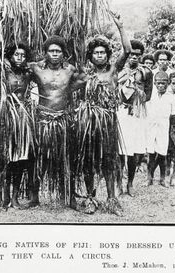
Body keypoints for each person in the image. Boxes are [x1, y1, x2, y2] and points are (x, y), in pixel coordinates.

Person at [75, 12, 131, 215]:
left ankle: (112, 199)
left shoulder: (114, 71)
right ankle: (90, 198)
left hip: (108, 121)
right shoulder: (85, 73)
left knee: (109, 160)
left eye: (102, 52)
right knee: (89, 160)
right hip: (89, 122)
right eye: (95, 53)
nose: (99, 55)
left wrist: (121, 27)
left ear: (107, 54)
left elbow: (127, 50)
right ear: (90, 56)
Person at [27, 35, 85, 207]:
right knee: (38, 159)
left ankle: (69, 196)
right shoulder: (36, 68)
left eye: (58, 51)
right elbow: (16, 69)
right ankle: (34, 197)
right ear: (45, 53)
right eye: (51, 51)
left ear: (63, 53)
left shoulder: (70, 70)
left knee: (66, 159)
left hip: (62, 119)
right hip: (42, 119)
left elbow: (85, 79)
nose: (54, 54)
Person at [0, 42, 35, 210]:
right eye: (17, 55)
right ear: (10, 56)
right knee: (6, 159)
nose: (20, 58)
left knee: (19, 161)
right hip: (5, 118)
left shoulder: (27, 73)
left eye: (23, 55)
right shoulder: (2, 71)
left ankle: (16, 197)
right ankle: (4, 197)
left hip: (22, 120)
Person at [117, 40, 153, 197]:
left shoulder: (146, 73)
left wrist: (138, 94)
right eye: (131, 54)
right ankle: (118, 182)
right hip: (121, 112)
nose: (134, 57)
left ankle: (130, 183)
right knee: (119, 150)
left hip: (137, 114)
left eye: (137, 55)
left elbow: (149, 95)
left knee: (133, 152)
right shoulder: (118, 70)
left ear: (141, 56)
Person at [146, 71, 175, 187]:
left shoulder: (171, 98)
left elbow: (174, 117)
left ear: (168, 83)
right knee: (151, 154)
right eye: (158, 83)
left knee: (163, 154)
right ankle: (149, 178)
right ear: (154, 83)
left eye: (163, 83)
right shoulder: (150, 97)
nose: (160, 86)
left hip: (164, 130)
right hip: (151, 129)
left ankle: (163, 178)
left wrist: (173, 133)